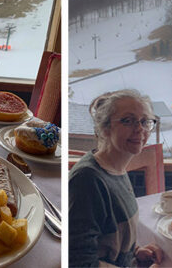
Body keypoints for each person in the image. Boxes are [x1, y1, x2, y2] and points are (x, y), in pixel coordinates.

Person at [69, 89, 164, 267]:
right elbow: (79, 262)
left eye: (144, 121)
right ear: (105, 129)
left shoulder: (117, 169)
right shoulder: (87, 181)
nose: (139, 129)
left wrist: (136, 252)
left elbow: (109, 237)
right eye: (127, 121)